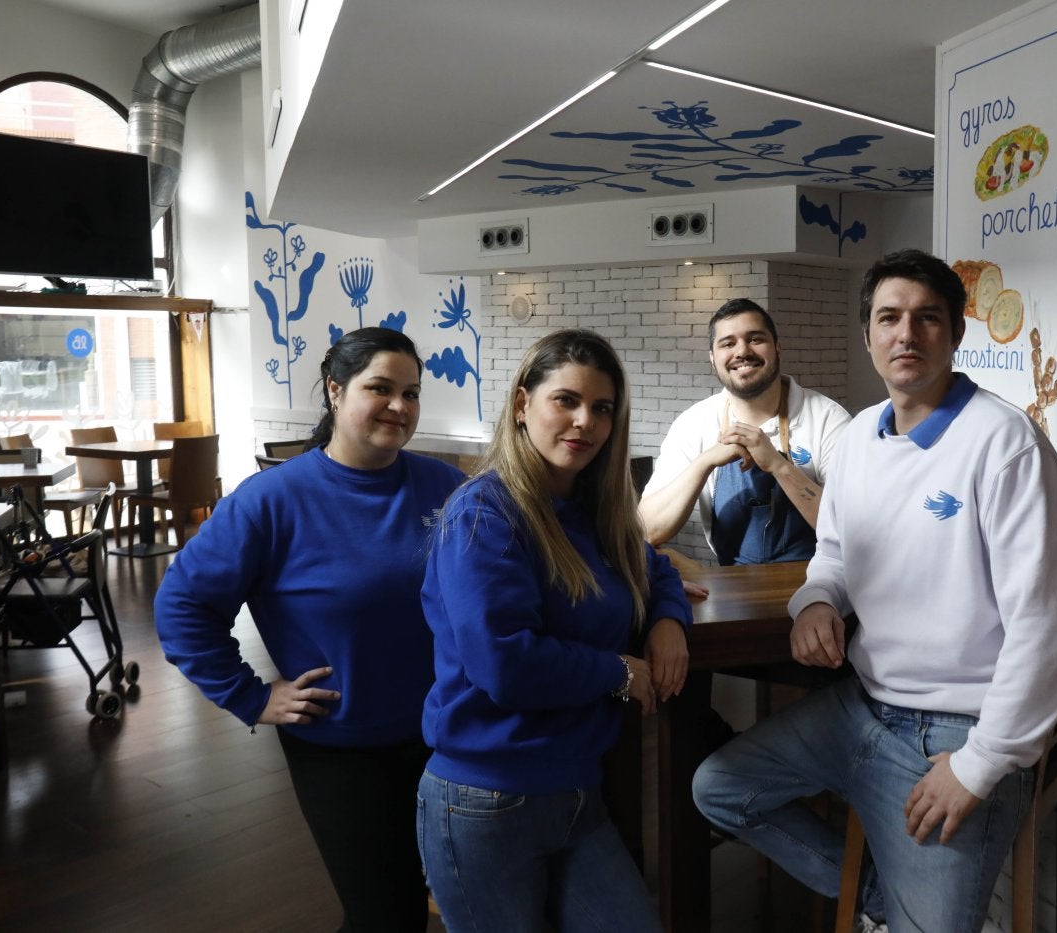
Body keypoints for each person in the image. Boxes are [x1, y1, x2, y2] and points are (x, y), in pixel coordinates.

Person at [691, 250, 1057, 933]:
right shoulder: (859, 443)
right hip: (862, 709)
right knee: (721, 786)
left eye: (928, 318)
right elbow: (837, 554)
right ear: (868, 335)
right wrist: (815, 600)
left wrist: (978, 765)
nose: (908, 334)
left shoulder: (1005, 444)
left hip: (958, 732)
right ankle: (887, 902)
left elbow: (1046, 627)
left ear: (955, 335)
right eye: (889, 318)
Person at [155, 327, 465, 932]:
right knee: (387, 915)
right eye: (380, 388)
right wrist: (250, 695)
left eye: (411, 392)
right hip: (343, 749)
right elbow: (182, 606)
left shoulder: (443, 485)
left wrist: (650, 577)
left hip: (448, 737)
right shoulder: (269, 500)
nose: (399, 407)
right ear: (335, 390)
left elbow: (530, 550)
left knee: (461, 898)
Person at [417, 328, 693, 933]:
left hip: (577, 792)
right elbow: (504, 665)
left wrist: (669, 619)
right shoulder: (484, 513)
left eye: (601, 409)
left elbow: (653, 565)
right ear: (522, 404)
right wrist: (618, 671)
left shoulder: (596, 510)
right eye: (564, 400)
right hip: (486, 798)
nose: (584, 422)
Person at [639, 298, 851, 566]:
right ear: (713, 359)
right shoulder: (693, 424)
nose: (742, 351)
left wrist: (778, 466)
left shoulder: (827, 419)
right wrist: (705, 462)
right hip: (733, 588)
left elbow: (850, 531)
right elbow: (647, 530)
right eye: (728, 343)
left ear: (777, 347)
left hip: (821, 581)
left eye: (755, 339)